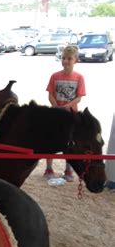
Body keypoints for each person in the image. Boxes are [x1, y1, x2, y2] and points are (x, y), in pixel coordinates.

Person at [44, 45, 86, 182]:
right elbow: (50, 94)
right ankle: (49, 168)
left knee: (70, 143)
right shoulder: (54, 76)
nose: (66, 61)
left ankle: (68, 169)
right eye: (64, 58)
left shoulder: (79, 77)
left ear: (76, 60)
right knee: (50, 141)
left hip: (71, 114)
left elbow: (79, 97)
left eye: (69, 58)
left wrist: (66, 106)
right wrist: (56, 106)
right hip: (55, 114)